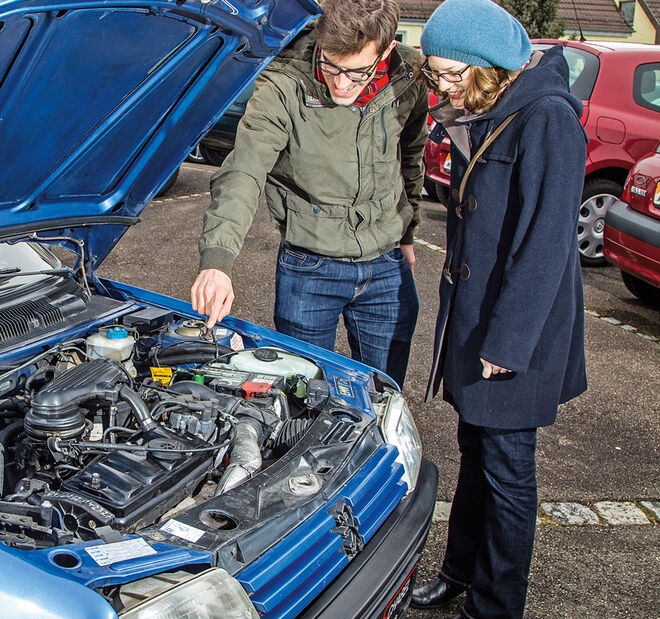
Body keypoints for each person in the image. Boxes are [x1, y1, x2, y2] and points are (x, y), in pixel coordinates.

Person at [411, 0, 588, 617]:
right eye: (437, 74)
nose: (444, 87)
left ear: (491, 66)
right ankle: (460, 572)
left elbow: (545, 245)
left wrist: (506, 344)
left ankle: (495, 604)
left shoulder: (546, 118)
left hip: (515, 334)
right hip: (476, 319)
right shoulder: (488, 109)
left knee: (509, 473)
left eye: (454, 75)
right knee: (476, 454)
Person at [190, 0, 427, 388]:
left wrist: (408, 231)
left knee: (385, 393)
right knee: (302, 393)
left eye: (356, 72)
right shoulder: (284, 81)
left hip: (387, 263)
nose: (341, 84)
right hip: (311, 267)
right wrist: (217, 261)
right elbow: (244, 170)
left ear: (385, 51)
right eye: (331, 65)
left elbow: (411, 154)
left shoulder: (409, 73)